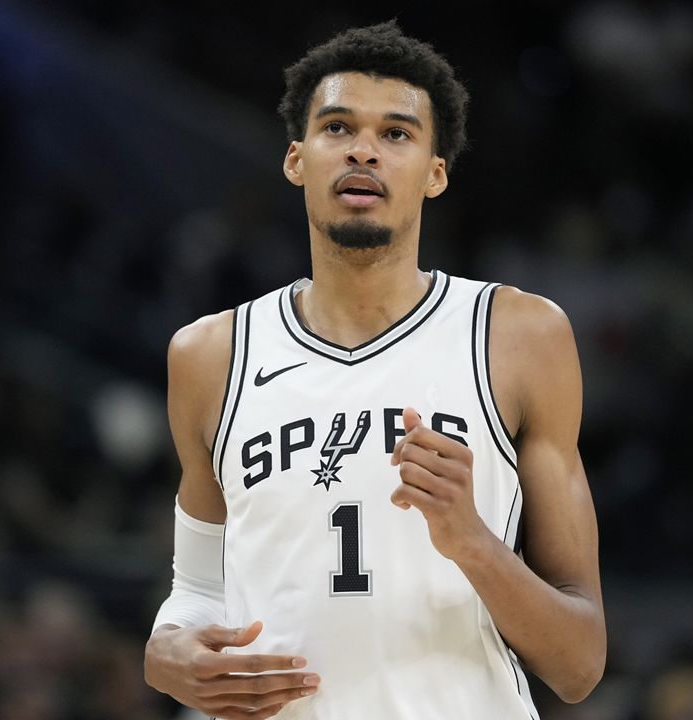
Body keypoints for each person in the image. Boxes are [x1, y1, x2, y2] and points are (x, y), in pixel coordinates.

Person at [144, 21, 606, 719]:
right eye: (337, 128)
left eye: (396, 134)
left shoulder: (519, 336)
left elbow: (579, 664)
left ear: (435, 172)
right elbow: (198, 587)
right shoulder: (210, 355)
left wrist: (473, 542)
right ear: (297, 159)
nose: (363, 149)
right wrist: (165, 648)